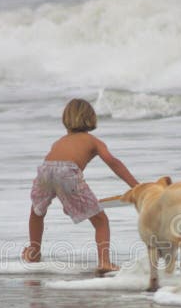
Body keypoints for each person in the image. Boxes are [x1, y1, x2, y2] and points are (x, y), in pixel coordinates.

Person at [22, 98, 139, 274]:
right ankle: (105, 262)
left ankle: (34, 252)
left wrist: (65, 198)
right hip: (67, 173)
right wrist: (136, 186)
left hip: (45, 171)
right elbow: (112, 162)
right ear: (91, 119)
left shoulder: (59, 142)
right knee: (101, 221)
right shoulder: (93, 141)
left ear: (66, 119)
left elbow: (54, 171)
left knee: (37, 212)